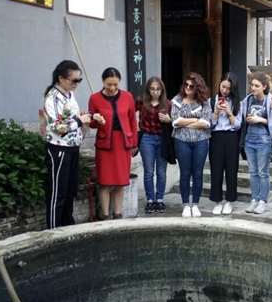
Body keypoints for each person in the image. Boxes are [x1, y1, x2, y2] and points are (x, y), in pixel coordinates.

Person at [43, 60, 95, 229]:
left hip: (73, 146)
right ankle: (54, 230)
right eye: (73, 80)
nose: (76, 84)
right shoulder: (52, 97)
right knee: (58, 192)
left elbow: (71, 117)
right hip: (59, 148)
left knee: (71, 190)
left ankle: (68, 227)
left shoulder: (69, 94)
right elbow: (57, 127)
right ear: (61, 78)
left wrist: (88, 116)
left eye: (79, 80)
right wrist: (79, 121)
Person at [88, 68, 137, 220]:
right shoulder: (94, 98)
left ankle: (118, 213)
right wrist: (96, 119)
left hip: (123, 143)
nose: (112, 88)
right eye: (109, 84)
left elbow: (132, 120)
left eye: (116, 84)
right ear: (103, 82)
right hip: (105, 144)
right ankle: (105, 214)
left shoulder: (127, 97)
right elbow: (91, 123)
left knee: (120, 180)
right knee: (104, 181)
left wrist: (134, 142)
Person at [171, 72, 211, 218]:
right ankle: (185, 205)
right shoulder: (177, 100)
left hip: (201, 141)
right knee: (185, 174)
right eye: (186, 85)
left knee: (198, 174)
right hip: (182, 141)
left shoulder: (204, 102)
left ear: (197, 88)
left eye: (191, 86)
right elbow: (175, 121)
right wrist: (195, 120)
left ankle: (195, 204)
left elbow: (206, 123)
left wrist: (185, 121)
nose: (187, 87)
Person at [241, 72, 272, 215]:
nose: (253, 88)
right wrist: (247, 119)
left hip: (264, 139)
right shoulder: (247, 100)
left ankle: (263, 201)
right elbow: (241, 117)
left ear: (264, 87)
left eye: (257, 86)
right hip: (249, 138)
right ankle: (254, 199)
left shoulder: (270, 100)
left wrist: (260, 120)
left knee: (263, 172)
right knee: (253, 172)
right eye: (252, 85)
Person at [136, 77, 172, 214]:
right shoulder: (141, 101)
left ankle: (160, 199)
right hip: (147, 138)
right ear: (148, 89)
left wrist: (169, 119)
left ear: (162, 90)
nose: (155, 92)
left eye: (158, 89)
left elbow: (175, 121)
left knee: (161, 172)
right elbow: (129, 114)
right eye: (152, 89)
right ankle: (150, 199)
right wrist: (135, 129)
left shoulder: (167, 104)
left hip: (163, 139)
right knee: (149, 171)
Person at [209, 72, 242, 215]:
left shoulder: (237, 103)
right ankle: (217, 201)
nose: (225, 90)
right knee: (216, 169)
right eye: (223, 86)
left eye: (228, 88)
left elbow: (238, 124)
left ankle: (229, 201)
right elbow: (209, 124)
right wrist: (216, 111)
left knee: (231, 169)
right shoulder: (211, 101)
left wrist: (229, 112)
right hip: (216, 137)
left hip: (231, 137)